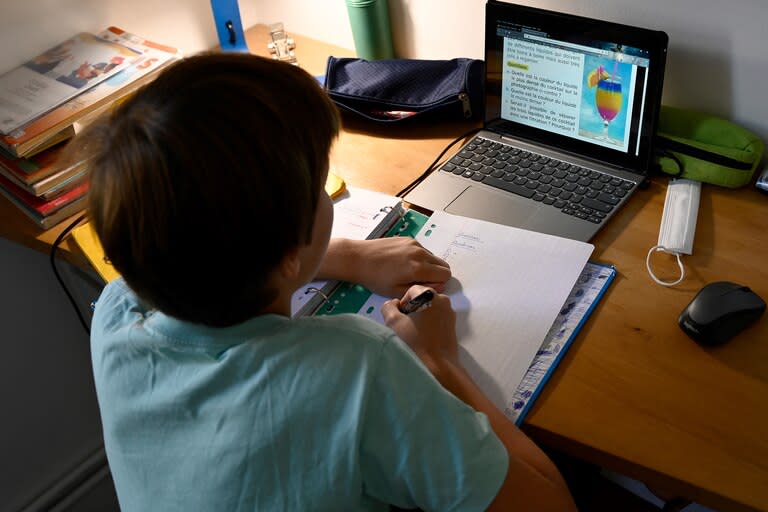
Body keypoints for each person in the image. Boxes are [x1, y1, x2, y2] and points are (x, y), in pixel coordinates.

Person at [71, 52, 576, 511]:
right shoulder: (357, 369)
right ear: (289, 254)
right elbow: (552, 505)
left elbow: (195, 244)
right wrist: (436, 360)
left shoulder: (118, 311)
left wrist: (347, 257)